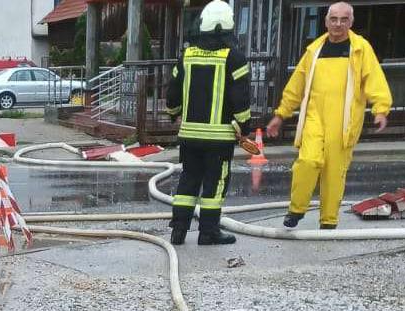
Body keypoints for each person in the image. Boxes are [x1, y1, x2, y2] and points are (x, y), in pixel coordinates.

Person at [266, 2, 391, 230]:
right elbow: (297, 86)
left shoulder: (360, 49)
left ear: (351, 22)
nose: (338, 24)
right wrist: (281, 114)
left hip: (344, 122)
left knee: (334, 172)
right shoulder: (314, 50)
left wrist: (380, 109)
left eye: (344, 20)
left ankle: (328, 221)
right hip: (315, 117)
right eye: (334, 19)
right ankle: (296, 209)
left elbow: (375, 81)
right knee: (307, 160)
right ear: (326, 22)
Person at [164, 0, 251, 245]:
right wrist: (244, 127)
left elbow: (172, 93)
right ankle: (208, 232)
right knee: (215, 183)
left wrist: (174, 113)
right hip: (220, 138)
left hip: (190, 135)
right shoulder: (234, 58)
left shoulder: (187, 55)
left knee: (188, 179)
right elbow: (241, 99)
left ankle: (178, 231)